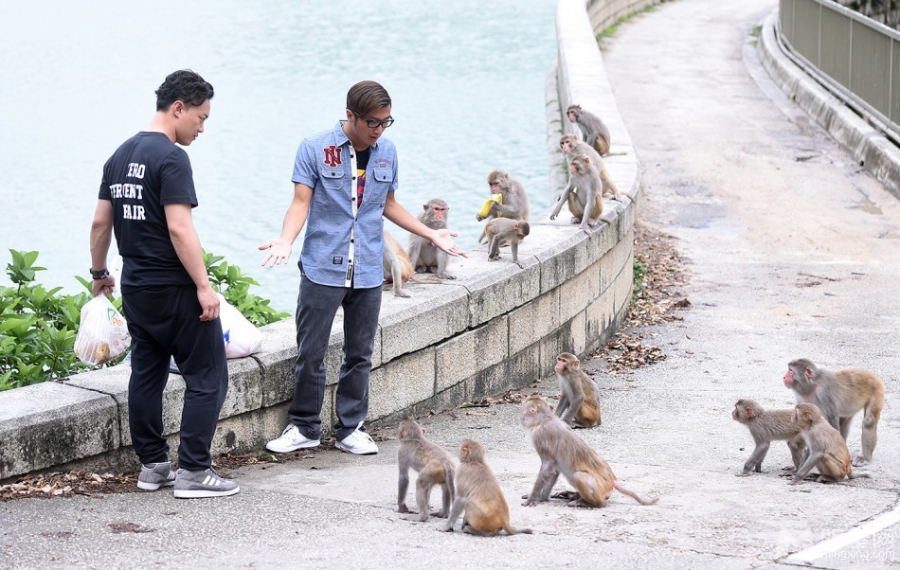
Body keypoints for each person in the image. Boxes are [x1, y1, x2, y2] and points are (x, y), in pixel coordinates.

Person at [260, 80, 465, 455]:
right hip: (323, 266)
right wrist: (286, 239)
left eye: (386, 122)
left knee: (360, 353)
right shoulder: (315, 148)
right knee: (311, 351)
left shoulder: (387, 151)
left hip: (368, 268)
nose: (379, 130)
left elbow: (389, 204)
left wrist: (431, 235)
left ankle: (351, 428)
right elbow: (300, 202)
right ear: (350, 115)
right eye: (372, 122)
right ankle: (304, 427)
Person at [89, 70, 239, 498]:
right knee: (209, 376)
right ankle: (193, 470)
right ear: (179, 108)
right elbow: (179, 228)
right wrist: (204, 287)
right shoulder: (172, 157)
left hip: (136, 287)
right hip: (175, 290)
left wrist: (100, 275)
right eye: (201, 117)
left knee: (147, 374)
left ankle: (154, 466)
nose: (202, 128)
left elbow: (101, 223)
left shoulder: (118, 155)